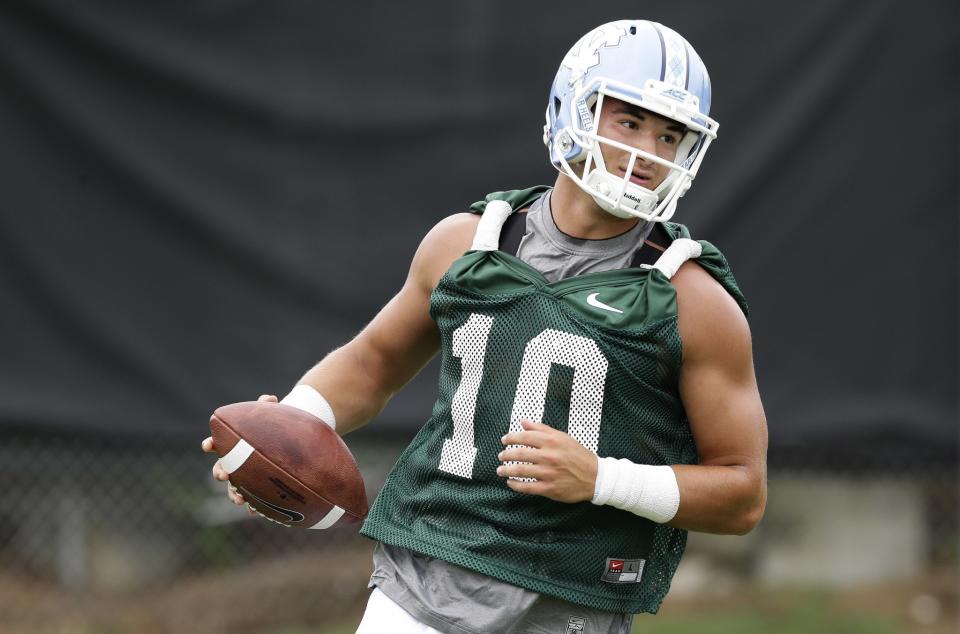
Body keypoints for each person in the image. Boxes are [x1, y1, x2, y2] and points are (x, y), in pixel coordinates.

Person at [202, 19, 767, 634]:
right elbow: (371, 364)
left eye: (669, 136)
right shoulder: (466, 243)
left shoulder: (691, 299)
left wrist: (604, 478)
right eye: (628, 122)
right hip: (425, 574)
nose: (647, 153)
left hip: (568, 597)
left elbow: (742, 494)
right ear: (571, 109)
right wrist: (291, 427)